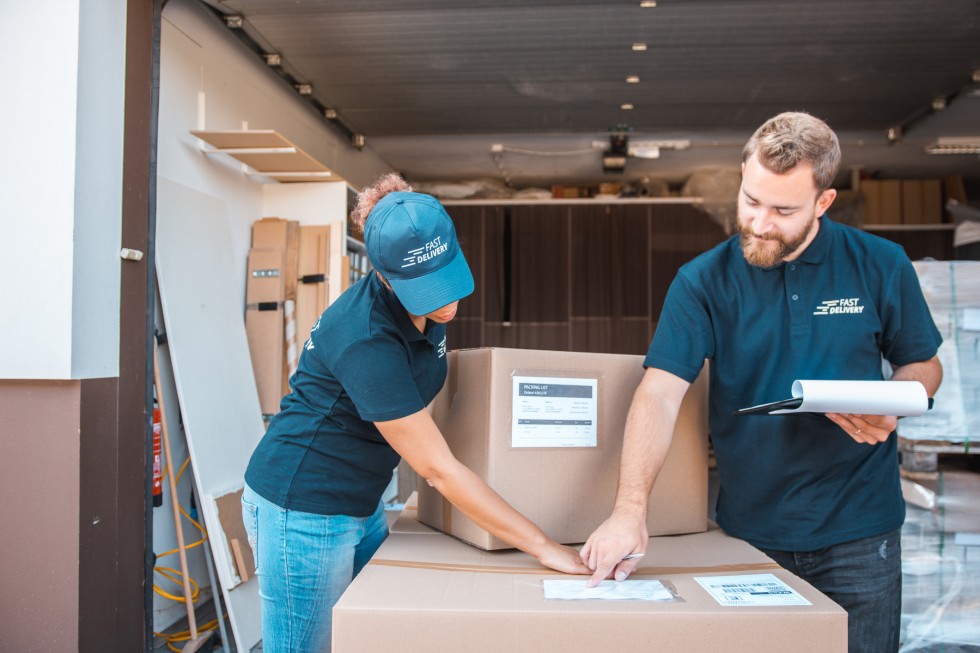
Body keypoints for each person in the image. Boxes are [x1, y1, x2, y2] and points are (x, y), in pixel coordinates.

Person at [581, 112, 943, 652]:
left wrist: (900, 400)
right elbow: (659, 394)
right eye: (751, 200)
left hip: (862, 536)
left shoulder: (880, 264)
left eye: (783, 210)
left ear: (823, 202)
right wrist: (629, 512)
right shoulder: (702, 281)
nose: (760, 222)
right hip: (751, 534)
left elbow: (923, 363)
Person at [241, 173, 588, 653]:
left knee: (371, 637)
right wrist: (546, 547)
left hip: (362, 501)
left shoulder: (427, 312)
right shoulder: (367, 338)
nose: (446, 303)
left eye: (448, 281)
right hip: (304, 507)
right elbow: (436, 469)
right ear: (384, 275)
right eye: (427, 291)